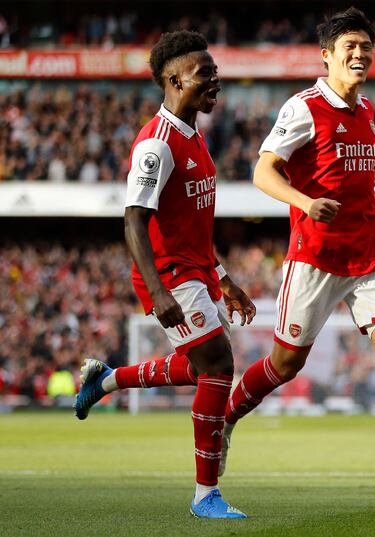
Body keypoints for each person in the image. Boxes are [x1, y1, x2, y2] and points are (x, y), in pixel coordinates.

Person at [220, 7, 375, 509]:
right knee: (285, 364)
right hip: (316, 258)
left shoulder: (366, 111)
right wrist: (304, 203)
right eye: (349, 46)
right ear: (326, 56)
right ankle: (227, 417)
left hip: (368, 255)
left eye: (366, 46)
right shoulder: (303, 107)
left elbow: (348, 180)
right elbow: (263, 173)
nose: (359, 54)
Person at [73, 30, 256, 519]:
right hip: (169, 275)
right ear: (174, 80)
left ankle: (107, 380)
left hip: (196, 269)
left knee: (201, 366)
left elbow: (191, 223)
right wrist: (157, 290)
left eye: (215, 72)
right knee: (218, 365)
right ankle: (205, 494)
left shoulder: (195, 136)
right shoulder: (158, 144)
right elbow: (134, 218)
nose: (215, 81)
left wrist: (223, 277)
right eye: (205, 73)